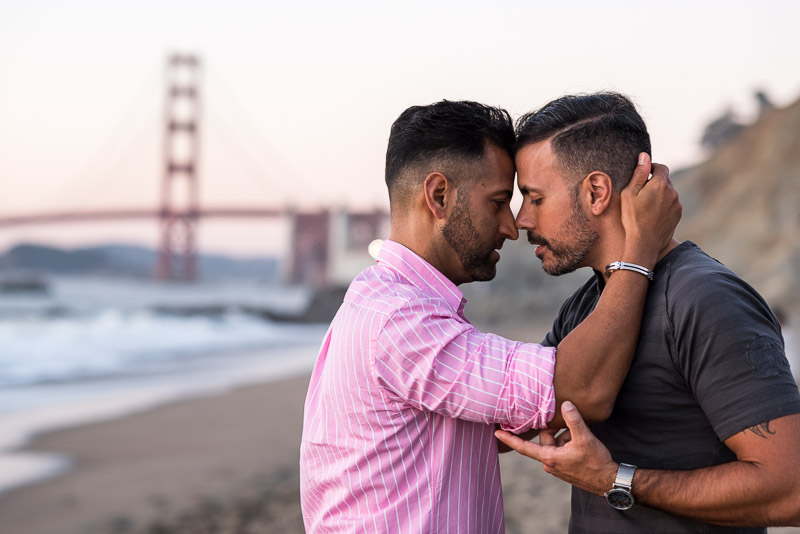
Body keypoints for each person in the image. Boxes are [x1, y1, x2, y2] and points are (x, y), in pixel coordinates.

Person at [299, 99, 681, 533]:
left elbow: (517, 414)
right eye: (499, 201)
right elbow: (582, 390)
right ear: (439, 196)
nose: (512, 226)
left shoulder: (393, 306)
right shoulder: (399, 321)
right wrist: (639, 250)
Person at [496, 92, 800, 532]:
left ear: (596, 192)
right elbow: (514, 421)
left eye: (535, 198)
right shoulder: (584, 306)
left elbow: (790, 487)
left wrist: (613, 479)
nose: (522, 220)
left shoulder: (705, 298)